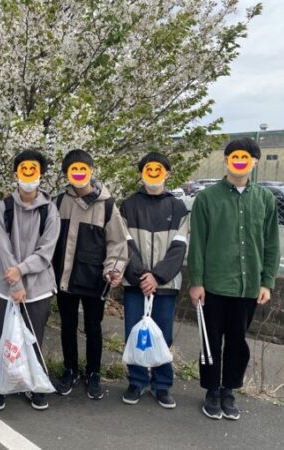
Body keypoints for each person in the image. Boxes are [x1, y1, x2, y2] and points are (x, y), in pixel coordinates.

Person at [189, 138, 280, 420]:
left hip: (248, 286)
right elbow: (198, 243)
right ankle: (211, 390)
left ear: (255, 162)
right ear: (226, 160)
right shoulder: (207, 198)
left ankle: (229, 389)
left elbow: (272, 244)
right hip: (213, 285)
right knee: (211, 341)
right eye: (234, 156)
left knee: (237, 343)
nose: (239, 161)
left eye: (245, 157)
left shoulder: (265, 199)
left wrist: (267, 281)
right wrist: (196, 281)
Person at [52, 149, 128, 399]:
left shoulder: (107, 204)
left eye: (82, 169)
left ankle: (93, 372)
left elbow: (117, 242)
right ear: (66, 173)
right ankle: (70, 369)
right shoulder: (59, 202)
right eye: (73, 170)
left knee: (93, 327)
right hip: (65, 277)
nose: (78, 174)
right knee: (68, 325)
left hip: (95, 278)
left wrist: (113, 269)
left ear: (91, 171)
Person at [0, 149, 61, 411]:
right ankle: (0, 386)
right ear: (15, 175)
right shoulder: (4, 208)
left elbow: (46, 251)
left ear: (41, 175)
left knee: (33, 339)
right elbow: (2, 246)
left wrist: (21, 271)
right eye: (24, 169)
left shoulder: (50, 210)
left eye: (34, 169)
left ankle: (34, 385)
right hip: (5, 287)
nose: (28, 175)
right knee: (3, 338)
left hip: (38, 288)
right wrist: (16, 283)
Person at [119, 152, 189, 409]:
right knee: (134, 333)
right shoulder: (128, 205)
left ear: (167, 173)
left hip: (166, 285)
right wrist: (141, 276)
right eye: (148, 168)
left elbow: (180, 247)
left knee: (163, 336)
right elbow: (124, 244)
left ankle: (162, 384)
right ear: (141, 173)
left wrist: (157, 276)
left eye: (159, 168)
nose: (153, 173)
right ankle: (136, 381)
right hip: (135, 284)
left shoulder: (178, 207)